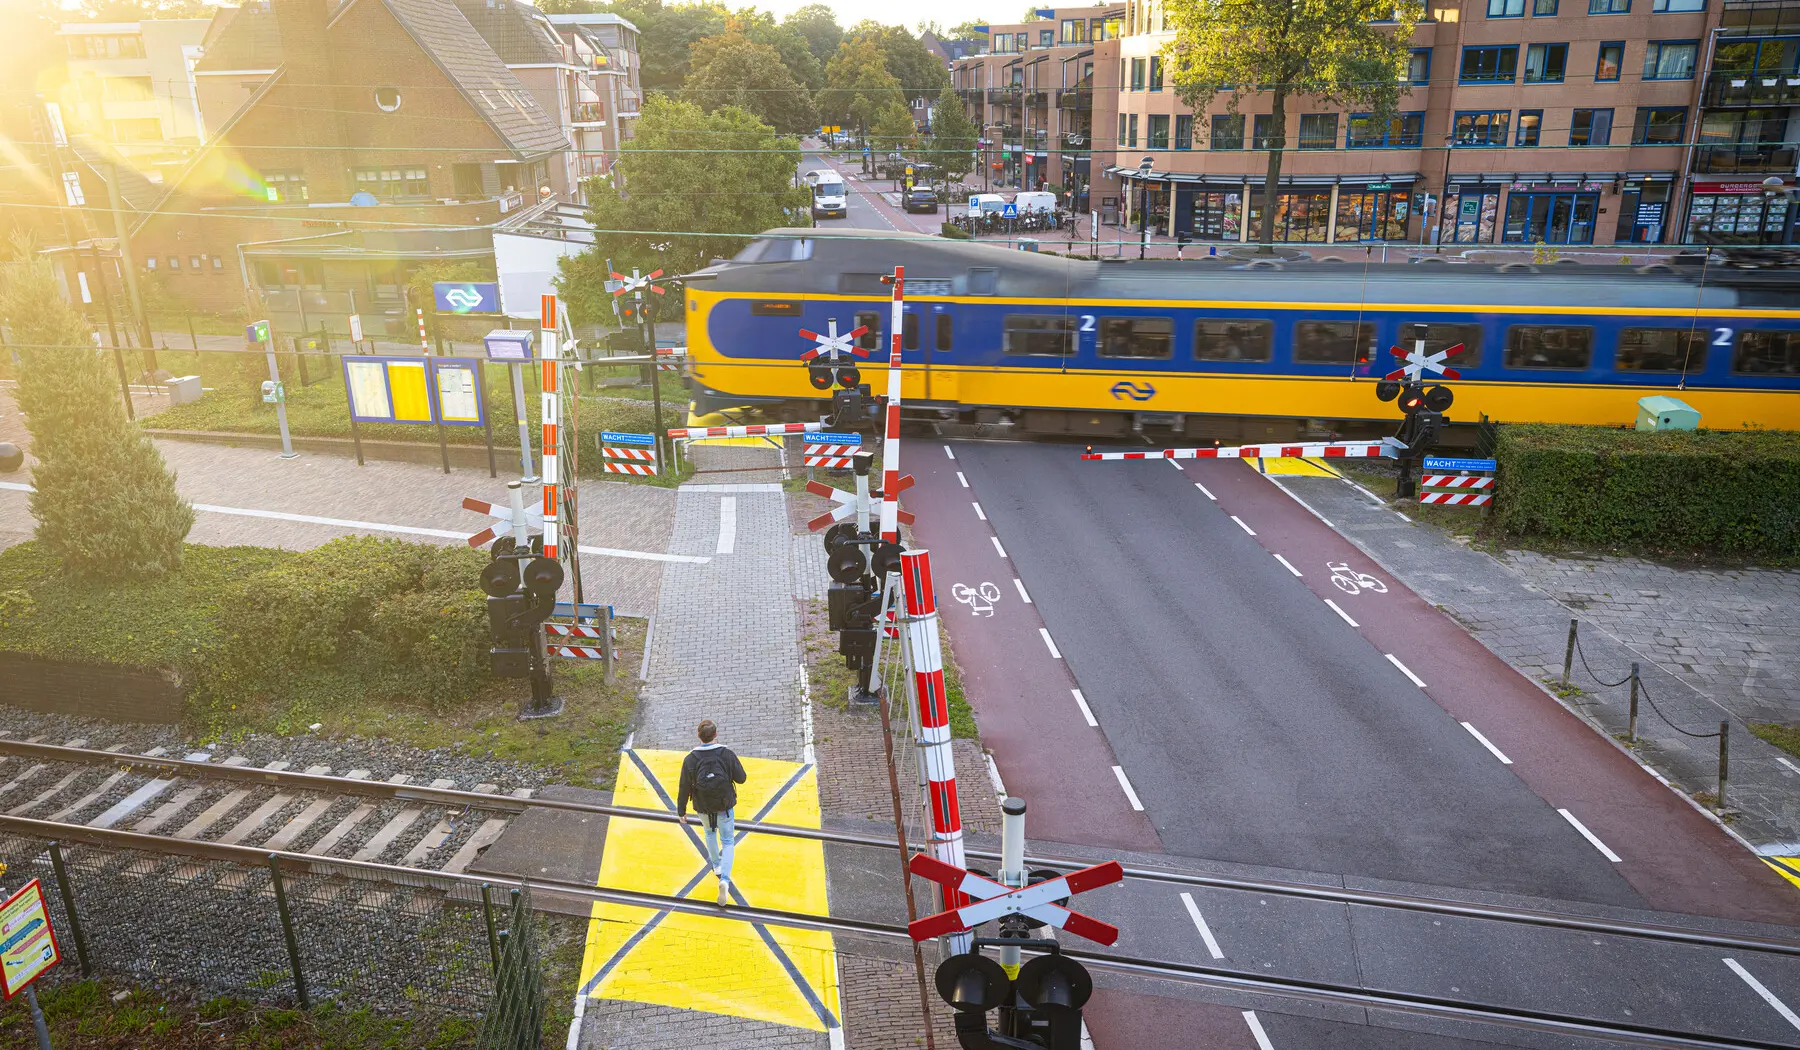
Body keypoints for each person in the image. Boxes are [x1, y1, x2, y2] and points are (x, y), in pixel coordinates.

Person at [677, 719, 748, 904]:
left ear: (698, 736)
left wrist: (681, 810)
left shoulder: (690, 759)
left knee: (709, 833)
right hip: (724, 806)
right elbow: (741, 779)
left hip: (702, 806)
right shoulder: (726, 754)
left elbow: (684, 786)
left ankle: (716, 866)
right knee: (728, 841)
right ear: (716, 735)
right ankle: (724, 879)